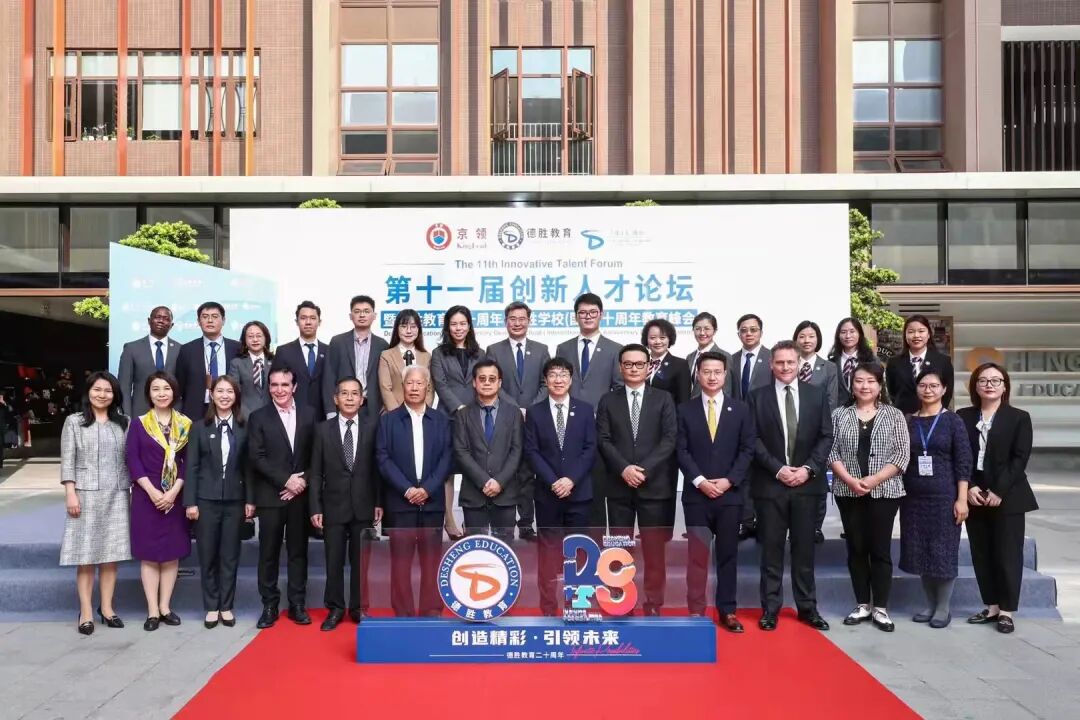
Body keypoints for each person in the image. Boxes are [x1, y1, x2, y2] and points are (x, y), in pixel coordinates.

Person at [748, 340, 832, 632]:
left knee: (804, 552)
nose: (785, 367)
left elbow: (826, 436)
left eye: (790, 362)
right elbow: (752, 439)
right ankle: (770, 609)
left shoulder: (816, 395)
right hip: (770, 486)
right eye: (779, 362)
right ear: (771, 365)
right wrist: (778, 469)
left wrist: (807, 469)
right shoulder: (756, 397)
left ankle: (807, 609)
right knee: (770, 552)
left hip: (807, 486)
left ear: (799, 364)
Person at [596, 344, 677, 616]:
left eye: (639, 364)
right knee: (619, 550)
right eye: (628, 364)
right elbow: (603, 439)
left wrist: (642, 470)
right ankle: (621, 600)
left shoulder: (663, 398)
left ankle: (653, 603)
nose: (633, 369)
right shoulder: (608, 400)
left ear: (649, 367)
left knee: (654, 551)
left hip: (654, 487)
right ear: (621, 367)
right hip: (619, 486)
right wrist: (624, 469)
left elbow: (669, 439)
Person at [677, 352, 755, 632]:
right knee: (697, 556)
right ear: (698, 375)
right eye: (706, 371)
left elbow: (748, 449)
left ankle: (728, 610)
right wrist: (700, 480)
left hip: (729, 496)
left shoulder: (741, 409)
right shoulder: (684, 410)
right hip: (696, 496)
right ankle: (696, 610)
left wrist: (728, 481)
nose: (712, 377)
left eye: (717, 372)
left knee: (727, 555)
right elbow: (681, 450)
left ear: (725, 375)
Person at [828, 363, 910, 632]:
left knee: (880, 549)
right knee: (856, 548)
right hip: (848, 491)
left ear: (879, 385)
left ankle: (881, 608)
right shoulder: (839, 415)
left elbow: (902, 455)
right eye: (859, 381)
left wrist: (874, 480)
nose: (865, 386)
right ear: (852, 385)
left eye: (871, 381)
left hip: (885, 492)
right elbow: (831, 452)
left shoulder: (894, 415)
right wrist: (850, 480)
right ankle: (862, 604)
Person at [958, 363, 1036, 635]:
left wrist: (999, 491)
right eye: (983, 380)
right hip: (975, 495)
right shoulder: (963, 416)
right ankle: (991, 606)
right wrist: (969, 487)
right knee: (981, 553)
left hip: (1008, 496)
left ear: (1005, 386)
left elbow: (1019, 458)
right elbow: (960, 455)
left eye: (995, 380)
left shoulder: (1019, 418)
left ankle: (1006, 611)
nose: (989, 385)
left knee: (1007, 554)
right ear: (975, 386)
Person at [59, 371, 132, 635]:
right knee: (86, 556)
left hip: (117, 494)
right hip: (85, 494)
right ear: (88, 392)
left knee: (111, 555)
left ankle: (107, 608)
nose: (102, 395)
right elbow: (68, 459)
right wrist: (70, 492)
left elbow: (130, 459)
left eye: (108, 390)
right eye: (97, 390)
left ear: (115, 395)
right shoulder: (74, 422)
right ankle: (86, 611)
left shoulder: (124, 423)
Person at [376, 365, 452, 617]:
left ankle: (431, 609)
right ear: (403, 386)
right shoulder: (388, 420)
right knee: (400, 563)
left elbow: (447, 457)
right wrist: (407, 489)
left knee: (432, 562)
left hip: (432, 502)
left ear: (428, 387)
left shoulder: (441, 420)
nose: (415, 388)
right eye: (410, 383)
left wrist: (427, 488)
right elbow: (383, 459)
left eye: (420, 383)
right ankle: (403, 612)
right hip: (400, 503)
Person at [524, 357, 597, 616]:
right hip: (548, 493)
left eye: (563, 374)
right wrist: (554, 481)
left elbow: (590, 448)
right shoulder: (535, 412)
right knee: (548, 552)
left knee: (578, 550)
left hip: (579, 492)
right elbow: (531, 451)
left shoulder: (585, 410)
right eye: (553, 375)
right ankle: (548, 606)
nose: (558, 379)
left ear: (571, 379)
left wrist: (571, 480)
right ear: (545, 380)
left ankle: (577, 604)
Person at [900, 368, 972, 629]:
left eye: (933, 385)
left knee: (942, 552)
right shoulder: (908, 420)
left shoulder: (953, 421)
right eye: (923, 385)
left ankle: (943, 607)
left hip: (944, 496)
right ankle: (930, 604)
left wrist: (962, 498)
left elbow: (963, 461)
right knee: (920, 550)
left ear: (944, 389)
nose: (928, 390)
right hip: (913, 497)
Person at [309, 377, 383, 631]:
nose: (350, 398)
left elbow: (377, 469)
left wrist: (378, 502)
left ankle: (358, 607)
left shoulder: (373, 427)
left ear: (362, 399)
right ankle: (335, 608)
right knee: (334, 561)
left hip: (364, 504)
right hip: (333, 506)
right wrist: (315, 507)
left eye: (355, 394)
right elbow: (315, 472)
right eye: (344, 393)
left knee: (361, 562)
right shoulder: (322, 430)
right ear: (335, 398)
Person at [247, 366, 317, 629]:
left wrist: (303, 481)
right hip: (271, 495)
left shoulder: (310, 414)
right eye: (274, 385)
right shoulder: (258, 417)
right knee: (268, 554)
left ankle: (297, 604)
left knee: (298, 552)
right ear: (269, 387)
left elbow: (318, 455)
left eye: (285, 385)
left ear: (294, 387)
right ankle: (269, 605)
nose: (279, 390)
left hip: (300, 497)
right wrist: (286, 480)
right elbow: (256, 457)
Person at [125, 371, 192, 631]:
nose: (162, 393)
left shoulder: (185, 424)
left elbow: (188, 462)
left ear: (174, 392)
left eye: (166, 388)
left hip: (175, 496)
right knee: (150, 555)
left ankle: (165, 607)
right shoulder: (139, 424)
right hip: (146, 496)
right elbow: (133, 460)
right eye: (156, 389)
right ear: (148, 394)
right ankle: (152, 610)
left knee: (172, 553)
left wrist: (174, 491)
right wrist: (152, 491)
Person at [183, 375, 249, 629]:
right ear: (211, 395)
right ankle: (211, 606)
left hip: (235, 501)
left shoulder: (244, 427)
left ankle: (226, 606)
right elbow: (192, 467)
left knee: (230, 556)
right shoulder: (200, 427)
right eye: (219, 391)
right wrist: (190, 502)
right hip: (205, 501)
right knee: (208, 555)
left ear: (236, 396)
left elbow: (249, 468)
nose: (224, 396)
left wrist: (250, 500)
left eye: (229, 391)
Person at [556, 293, 622, 530]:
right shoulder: (563, 348)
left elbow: (618, 388)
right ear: (575, 317)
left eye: (593, 312)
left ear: (601, 315)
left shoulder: (615, 349)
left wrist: (601, 415)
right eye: (582, 313)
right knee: (569, 482)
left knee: (597, 486)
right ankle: (570, 539)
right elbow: (558, 383)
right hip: (567, 428)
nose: (588, 317)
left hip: (600, 428)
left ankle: (595, 540)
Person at [485, 301, 550, 541]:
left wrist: (530, 409)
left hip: (533, 420)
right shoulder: (494, 350)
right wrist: (515, 408)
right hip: (504, 419)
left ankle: (526, 523)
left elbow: (546, 383)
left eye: (522, 319)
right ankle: (503, 524)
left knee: (527, 473)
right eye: (512, 319)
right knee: (505, 469)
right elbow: (492, 383)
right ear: (506, 322)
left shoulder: (542, 350)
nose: (517, 323)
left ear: (529, 321)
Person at [452, 360, 523, 540]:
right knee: (475, 549)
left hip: (505, 493)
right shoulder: (462, 414)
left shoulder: (514, 413)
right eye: (482, 379)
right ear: (474, 382)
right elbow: (461, 451)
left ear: (499, 383)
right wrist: (484, 481)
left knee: (504, 550)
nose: (487, 383)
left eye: (492, 379)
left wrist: (499, 481)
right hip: (473, 494)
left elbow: (517, 450)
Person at [430, 305, 483, 540]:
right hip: (447, 419)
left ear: (469, 326)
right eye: (454, 324)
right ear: (447, 327)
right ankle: (449, 520)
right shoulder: (439, 353)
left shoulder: (480, 353)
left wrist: (470, 411)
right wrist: (459, 408)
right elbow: (440, 385)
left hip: (475, 419)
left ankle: (473, 521)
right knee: (447, 471)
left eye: (462, 323)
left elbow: (484, 384)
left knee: (474, 469)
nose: (458, 328)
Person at [794, 320, 840, 544]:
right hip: (792, 430)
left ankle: (816, 526)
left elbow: (832, 401)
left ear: (818, 339)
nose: (807, 340)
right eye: (802, 336)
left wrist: (822, 430)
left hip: (818, 432)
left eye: (811, 336)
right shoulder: (789, 363)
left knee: (817, 479)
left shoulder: (829, 368)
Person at [731, 313, 772, 539]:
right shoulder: (730, 359)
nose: (748, 334)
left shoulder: (772, 358)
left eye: (753, 329)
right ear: (738, 334)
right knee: (742, 474)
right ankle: (746, 521)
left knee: (765, 474)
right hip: (737, 426)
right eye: (744, 330)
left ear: (761, 332)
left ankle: (764, 522)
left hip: (765, 425)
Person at [323, 295, 389, 420]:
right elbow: (328, 378)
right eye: (357, 311)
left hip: (373, 409)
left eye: (366, 311)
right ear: (350, 316)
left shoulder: (382, 345)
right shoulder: (338, 342)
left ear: (374, 316)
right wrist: (330, 410)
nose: (362, 315)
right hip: (343, 407)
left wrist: (387, 406)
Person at [175, 302, 241, 421]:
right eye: (205, 317)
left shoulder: (237, 348)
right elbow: (180, 385)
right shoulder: (187, 349)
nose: (210, 320)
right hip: (195, 412)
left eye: (215, 316)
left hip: (230, 409)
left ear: (223, 320)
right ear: (198, 321)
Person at [117, 306, 181, 418]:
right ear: (149, 321)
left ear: (171, 325)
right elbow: (124, 387)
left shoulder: (180, 349)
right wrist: (127, 416)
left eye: (166, 319)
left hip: (172, 415)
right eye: (157, 317)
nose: (161, 321)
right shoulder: (131, 348)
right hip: (140, 413)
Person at [886, 314, 954, 415]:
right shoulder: (894, 363)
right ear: (905, 335)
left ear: (929, 334)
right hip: (903, 417)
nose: (916, 335)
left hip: (934, 417)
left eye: (921, 331)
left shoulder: (943, 361)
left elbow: (947, 393)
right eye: (911, 332)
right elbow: (893, 393)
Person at [273, 300, 330, 419]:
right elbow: (275, 384)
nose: (308, 322)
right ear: (297, 322)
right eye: (303, 318)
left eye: (313, 318)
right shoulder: (284, 351)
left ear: (319, 322)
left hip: (323, 416)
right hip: (291, 415)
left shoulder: (329, 351)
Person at [379, 308, 435, 410]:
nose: (408, 331)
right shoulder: (386, 355)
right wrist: (398, 415)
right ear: (397, 329)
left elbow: (430, 389)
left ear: (418, 329)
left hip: (421, 414)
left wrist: (422, 412)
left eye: (413, 327)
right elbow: (385, 388)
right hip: (393, 413)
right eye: (404, 326)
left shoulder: (426, 356)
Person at [227, 320, 273, 422]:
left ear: (266, 338)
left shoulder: (275, 361)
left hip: (272, 416)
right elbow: (234, 392)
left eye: (259, 336)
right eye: (250, 336)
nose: (255, 339)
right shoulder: (236, 363)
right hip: (245, 417)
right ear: (244, 340)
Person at [828, 317, 879, 407]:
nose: (848, 336)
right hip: (838, 412)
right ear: (838, 336)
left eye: (852, 331)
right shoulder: (831, 363)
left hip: (866, 410)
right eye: (843, 332)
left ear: (859, 334)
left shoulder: (872, 360)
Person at [643, 318, 690, 406]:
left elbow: (684, 400)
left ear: (669, 339)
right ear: (646, 339)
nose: (658, 342)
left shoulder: (680, 365)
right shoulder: (640, 364)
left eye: (662, 337)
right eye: (653, 338)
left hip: (668, 414)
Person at [686, 311, 732, 397]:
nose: (702, 333)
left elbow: (727, 390)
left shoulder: (725, 356)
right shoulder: (690, 357)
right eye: (698, 329)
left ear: (714, 331)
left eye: (707, 329)